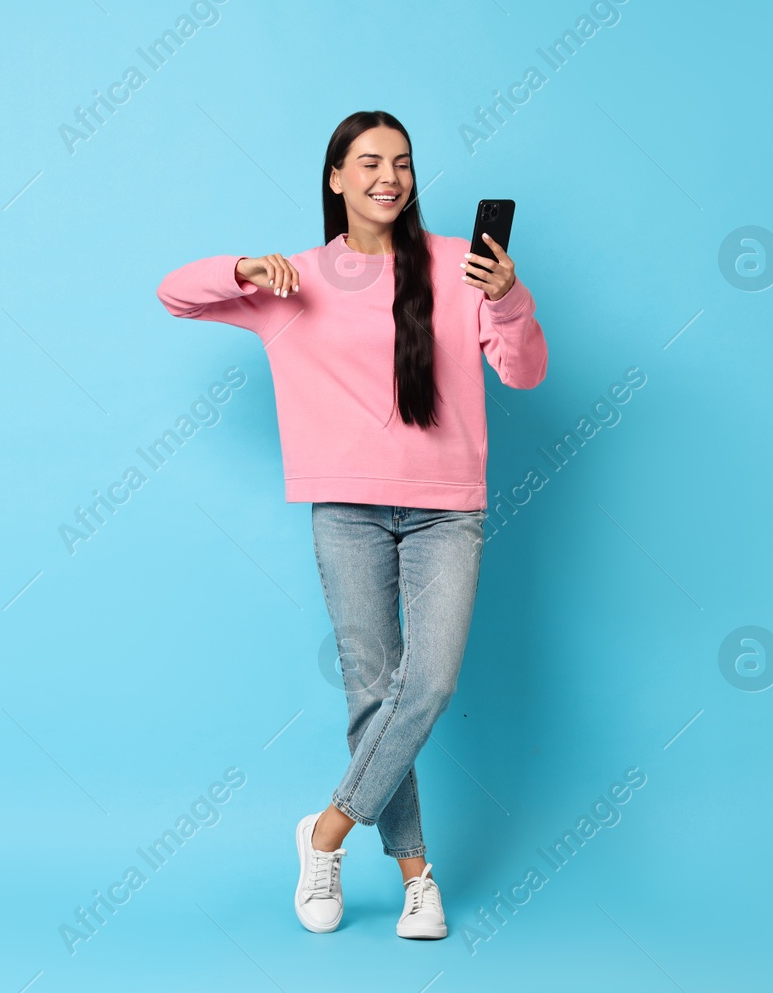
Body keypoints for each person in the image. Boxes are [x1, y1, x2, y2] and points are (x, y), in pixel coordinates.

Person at [155, 111, 548, 939]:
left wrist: (507, 298)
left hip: (448, 507)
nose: (388, 176)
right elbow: (174, 294)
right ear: (335, 177)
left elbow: (524, 372)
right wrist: (240, 267)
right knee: (374, 693)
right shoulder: (294, 279)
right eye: (368, 162)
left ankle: (325, 831)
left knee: (427, 682)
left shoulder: (458, 265)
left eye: (402, 162)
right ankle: (417, 877)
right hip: (347, 509)